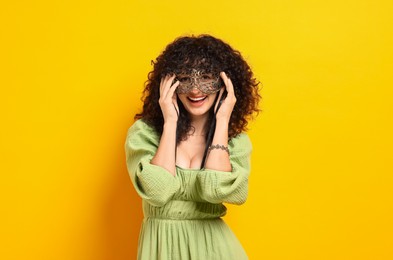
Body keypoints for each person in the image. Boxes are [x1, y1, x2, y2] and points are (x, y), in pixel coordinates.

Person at [125, 34, 261, 260]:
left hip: (217, 251)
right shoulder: (144, 134)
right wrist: (170, 122)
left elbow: (215, 190)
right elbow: (158, 192)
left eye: (207, 77)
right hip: (161, 249)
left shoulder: (236, 142)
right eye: (186, 79)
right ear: (169, 83)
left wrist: (223, 120)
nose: (195, 90)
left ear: (226, 83)